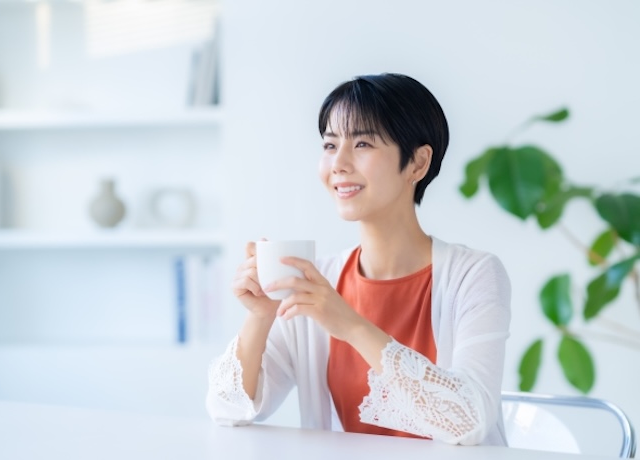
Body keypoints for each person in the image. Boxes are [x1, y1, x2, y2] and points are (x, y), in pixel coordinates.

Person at [205, 73, 511, 446]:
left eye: (363, 143)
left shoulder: (474, 275)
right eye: (330, 145)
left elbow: (469, 421)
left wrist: (350, 325)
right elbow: (227, 409)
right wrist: (260, 316)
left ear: (418, 163)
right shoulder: (318, 283)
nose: (339, 163)